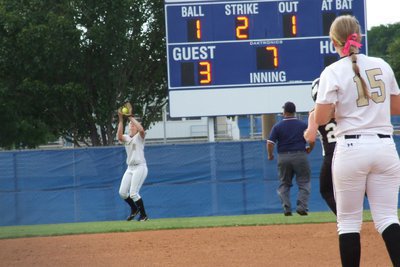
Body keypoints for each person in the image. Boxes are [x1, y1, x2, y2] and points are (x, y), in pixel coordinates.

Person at [314, 15, 400, 267]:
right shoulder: (382, 65)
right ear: (359, 37)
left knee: (349, 222)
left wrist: (337, 109)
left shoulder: (332, 71)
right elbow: (396, 107)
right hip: (385, 146)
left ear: (333, 42)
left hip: (351, 148)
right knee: (387, 218)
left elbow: (320, 117)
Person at [267, 101, 314, 216]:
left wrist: (270, 154)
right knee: (304, 182)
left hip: (283, 156)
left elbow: (269, 143)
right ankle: (302, 207)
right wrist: (309, 149)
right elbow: (312, 139)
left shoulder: (278, 126)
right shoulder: (303, 125)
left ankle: (287, 208)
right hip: (300, 155)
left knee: (284, 184)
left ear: (284, 112)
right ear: (294, 111)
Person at [304, 78, 337, 215]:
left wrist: (308, 128)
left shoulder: (315, 113)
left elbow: (310, 137)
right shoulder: (343, 107)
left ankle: (344, 218)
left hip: (332, 155)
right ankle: (386, 214)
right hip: (352, 149)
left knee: (326, 190)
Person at [117, 109, 149, 222]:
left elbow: (141, 130)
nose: (131, 126)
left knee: (134, 193)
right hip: (130, 168)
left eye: (133, 125)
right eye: (130, 125)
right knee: (122, 193)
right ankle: (134, 209)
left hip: (140, 167)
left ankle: (144, 216)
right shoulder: (126, 138)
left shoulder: (140, 137)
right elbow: (119, 137)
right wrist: (121, 119)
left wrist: (130, 117)